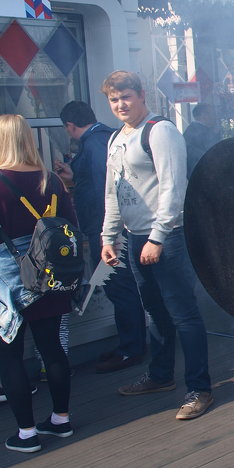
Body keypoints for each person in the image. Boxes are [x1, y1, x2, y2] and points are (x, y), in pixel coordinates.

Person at [100, 71, 214, 421]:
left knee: (183, 314)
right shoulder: (117, 138)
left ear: (141, 95)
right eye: (114, 99)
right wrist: (108, 235)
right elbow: (114, 190)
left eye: (126, 97)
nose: (120, 104)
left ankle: (200, 388)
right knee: (155, 312)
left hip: (167, 238)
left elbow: (172, 188)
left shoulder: (159, 130)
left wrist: (158, 236)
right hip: (135, 238)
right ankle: (161, 376)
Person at [0, 115, 76, 452]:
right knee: (51, 348)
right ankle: (61, 420)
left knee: (10, 355)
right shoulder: (53, 180)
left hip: (10, 273)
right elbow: (71, 224)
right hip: (51, 272)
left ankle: (26, 434)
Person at [55, 101, 147, 374]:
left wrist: (107, 233)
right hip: (112, 227)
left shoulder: (94, 144)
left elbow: (104, 190)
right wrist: (74, 176)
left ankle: (131, 349)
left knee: (119, 287)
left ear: (70, 126)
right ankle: (130, 344)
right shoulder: (106, 137)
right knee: (122, 287)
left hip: (105, 229)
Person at [182, 103, 221, 179]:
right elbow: (213, 156)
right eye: (213, 113)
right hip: (204, 177)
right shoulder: (201, 133)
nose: (215, 117)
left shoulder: (192, 130)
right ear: (204, 115)